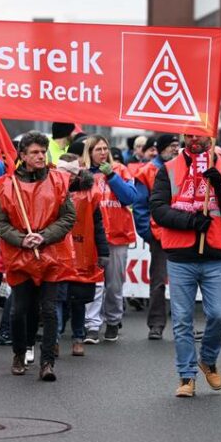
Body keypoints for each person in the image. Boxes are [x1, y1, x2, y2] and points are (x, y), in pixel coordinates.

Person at [150, 133, 221, 397]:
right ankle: (187, 376)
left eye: (200, 135)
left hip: (214, 255)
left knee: (219, 314)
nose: (195, 140)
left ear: (210, 136)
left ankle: (208, 359)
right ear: (184, 137)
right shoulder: (168, 169)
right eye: (190, 135)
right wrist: (190, 221)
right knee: (182, 320)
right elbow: (158, 209)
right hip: (181, 256)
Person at [0, 131, 76, 381]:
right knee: (19, 310)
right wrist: (21, 239)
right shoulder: (9, 185)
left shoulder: (59, 181)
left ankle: (47, 362)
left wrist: (45, 236)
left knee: (49, 310)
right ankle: (19, 353)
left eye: (43, 151)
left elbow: (68, 217)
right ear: (23, 156)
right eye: (35, 153)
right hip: (19, 258)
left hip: (50, 256)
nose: (41, 156)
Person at [81, 135, 136, 343]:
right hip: (91, 237)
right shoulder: (83, 173)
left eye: (105, 149)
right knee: (93, 284)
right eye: (98, 149)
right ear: (90, 152)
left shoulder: (120, 170)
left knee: (114, 285)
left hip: (117, 236)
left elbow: (130, 197)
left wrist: (112, 176)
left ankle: (113, 320)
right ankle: (92, 325)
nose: (103, 153)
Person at [57, 154, 108, 356]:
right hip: (58, 253)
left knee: (77, 300)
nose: (65, 177)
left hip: (82, 254)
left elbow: (98, 226)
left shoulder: (89, 194)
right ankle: (55, 339)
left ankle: (79, 337)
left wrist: (103, 252)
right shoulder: (52, 190)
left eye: (69, 173)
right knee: (58, 300)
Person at [132, 134, 180, 340]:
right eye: (172, 146)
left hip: (182, 231)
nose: (176, 149)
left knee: (184, 282)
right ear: (160, 149)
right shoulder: (146, 172)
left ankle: (182, 324)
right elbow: (140, 206)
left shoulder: (184, 168)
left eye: (178, 146)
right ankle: (156, 324)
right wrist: (148, 233)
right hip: (160, 234)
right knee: (159, 281)